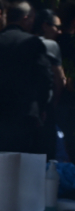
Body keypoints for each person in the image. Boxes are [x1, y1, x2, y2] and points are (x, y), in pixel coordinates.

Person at [0, 1, 54, 157]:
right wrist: (40, 107)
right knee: (19, 169)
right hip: (22, 118)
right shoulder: (32, 44)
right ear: (26, 19)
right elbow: (45, 79)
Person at [37, 9, 67, 159]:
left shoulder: (24, 43)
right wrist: (55, 101)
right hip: (47, 105)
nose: (60, 32)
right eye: (57, 27)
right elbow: (59, 79)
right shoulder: (51, 46)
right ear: (45, 26)